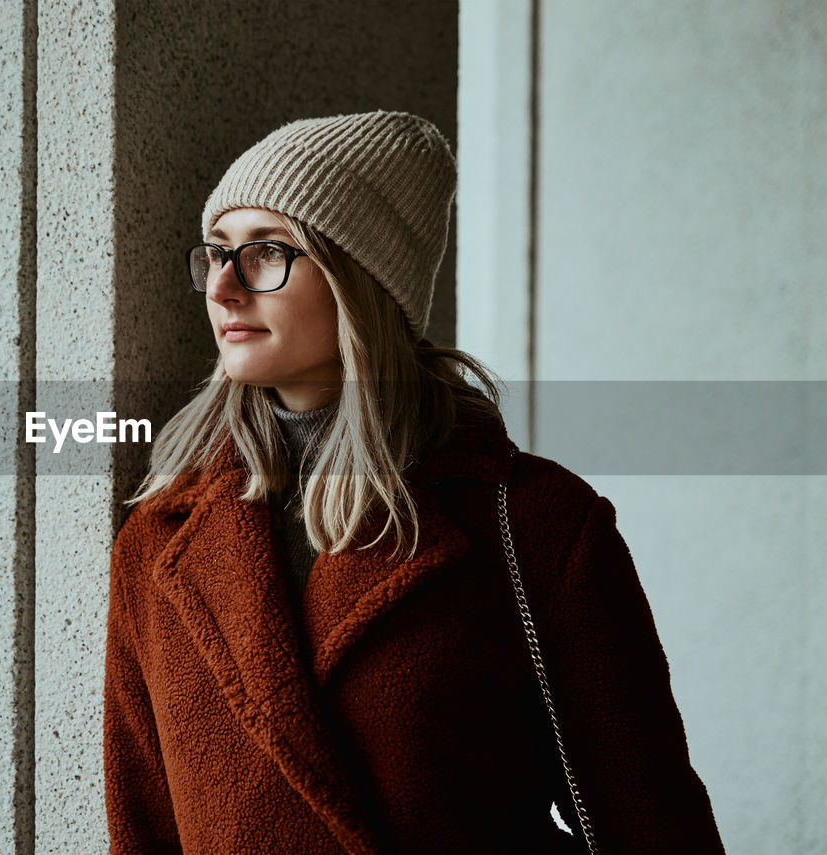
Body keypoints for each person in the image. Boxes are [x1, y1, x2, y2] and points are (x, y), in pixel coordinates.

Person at [102, 110, 724, 854]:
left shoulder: (535, 526)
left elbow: (651, 824)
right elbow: (141, 830)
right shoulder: (160, 543)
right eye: (218, 254)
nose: (225, 288)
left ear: (359, 280)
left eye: (267, 252)